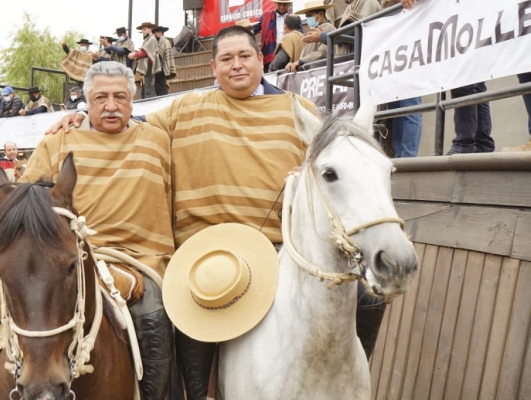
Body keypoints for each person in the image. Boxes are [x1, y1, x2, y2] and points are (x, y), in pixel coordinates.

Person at [47, 25, 389, 399]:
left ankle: (352, 377)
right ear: (213, 66)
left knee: (368, 297)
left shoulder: (298, 111)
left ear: (261, 59)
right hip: (204, 254)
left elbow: (333, 164)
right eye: (226, 59)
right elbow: (124, 120)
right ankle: (196, 395)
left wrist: (306, 172)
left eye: (244, 56)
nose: (236, 65)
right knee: (195, 305)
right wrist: (79, 114)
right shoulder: (186, 109)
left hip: (281, 251)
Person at [0, 61, 175, 400]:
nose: (111, 105)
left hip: (136, 261)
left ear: (132, 101)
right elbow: (23, 206)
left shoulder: (157, 140)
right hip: (60, 256)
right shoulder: (57, 142)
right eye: (101, 98)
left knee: (152, 307)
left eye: (120, 97)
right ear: (87, 101)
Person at [284, 1, 336, 73]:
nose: (308, 19)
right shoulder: (314, 30)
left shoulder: (328, 28)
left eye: (310, 16)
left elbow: (322, 53)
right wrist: (296, 63)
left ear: (321, 14)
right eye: (307, 16)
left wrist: (300, 62)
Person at [253, 0, 294, 72]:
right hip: (269, 57)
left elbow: (299, 36)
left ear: (288, 4)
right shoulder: (266, 16)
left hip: (288, 58)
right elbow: (254, 29)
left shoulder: (293, 18)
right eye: (279, 4)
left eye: (284, 4)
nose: (281, 7)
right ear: (275, 3)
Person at [128, 22, 160, 99]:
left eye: (145, 29)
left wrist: (134, 54)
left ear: (150, 29)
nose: (143, 31)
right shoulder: (147, 39)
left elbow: (145, 52)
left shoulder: (152, 38)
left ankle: (150, 103)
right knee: (148, 85)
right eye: (143, 30)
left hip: (150, 65)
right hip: (147, 66)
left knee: (149, 86)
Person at [153, 26, 177, 96]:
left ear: (160, 33)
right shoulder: (158, 42)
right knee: (158, 87)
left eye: (156, 33)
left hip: (162, 68)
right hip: (157, 68)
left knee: (161, 87)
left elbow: (166, 56)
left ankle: (164, 101)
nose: (155, 34)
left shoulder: (165, 42)